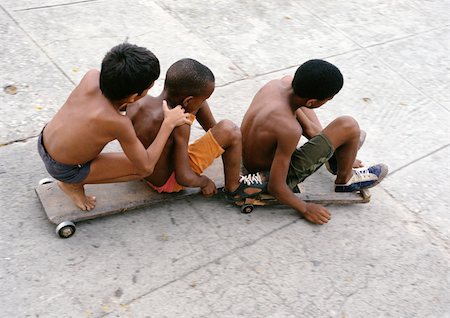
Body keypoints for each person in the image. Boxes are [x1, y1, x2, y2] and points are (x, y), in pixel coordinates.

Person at [38, 43, 191, 211]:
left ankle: (71, 176)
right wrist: (168, 124)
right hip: (65, 169)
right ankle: (71, 184)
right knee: (141, 171)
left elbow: (105, 106)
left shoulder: (91, 77)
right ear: (134, 96)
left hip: (44, 141)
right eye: (148, 89)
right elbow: (146, 165)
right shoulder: (117, 123)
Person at [240, 59, 388, 225]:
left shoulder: (277, 85)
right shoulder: (289, 129)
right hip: (264, 173)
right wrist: (304, 208)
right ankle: (345, 179)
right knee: (349, 126)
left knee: (346, 133)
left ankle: (335, 158)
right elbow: (276, 186)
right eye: (328, 99)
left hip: (249, 152)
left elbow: (309, 128)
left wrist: (339, 152)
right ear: (312, 102)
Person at [127, 58, 265, 199]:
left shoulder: (138, 102)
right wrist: (204, 182)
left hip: (142, 167)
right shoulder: (180, 125)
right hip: (168, 182)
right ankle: (234, 186)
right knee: (230, 130)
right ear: (187, 100)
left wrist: (199, 103)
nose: (204, 102)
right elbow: (183, 177)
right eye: (204, 98)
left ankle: (219, 140)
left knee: (198, 106)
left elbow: (194, 103)